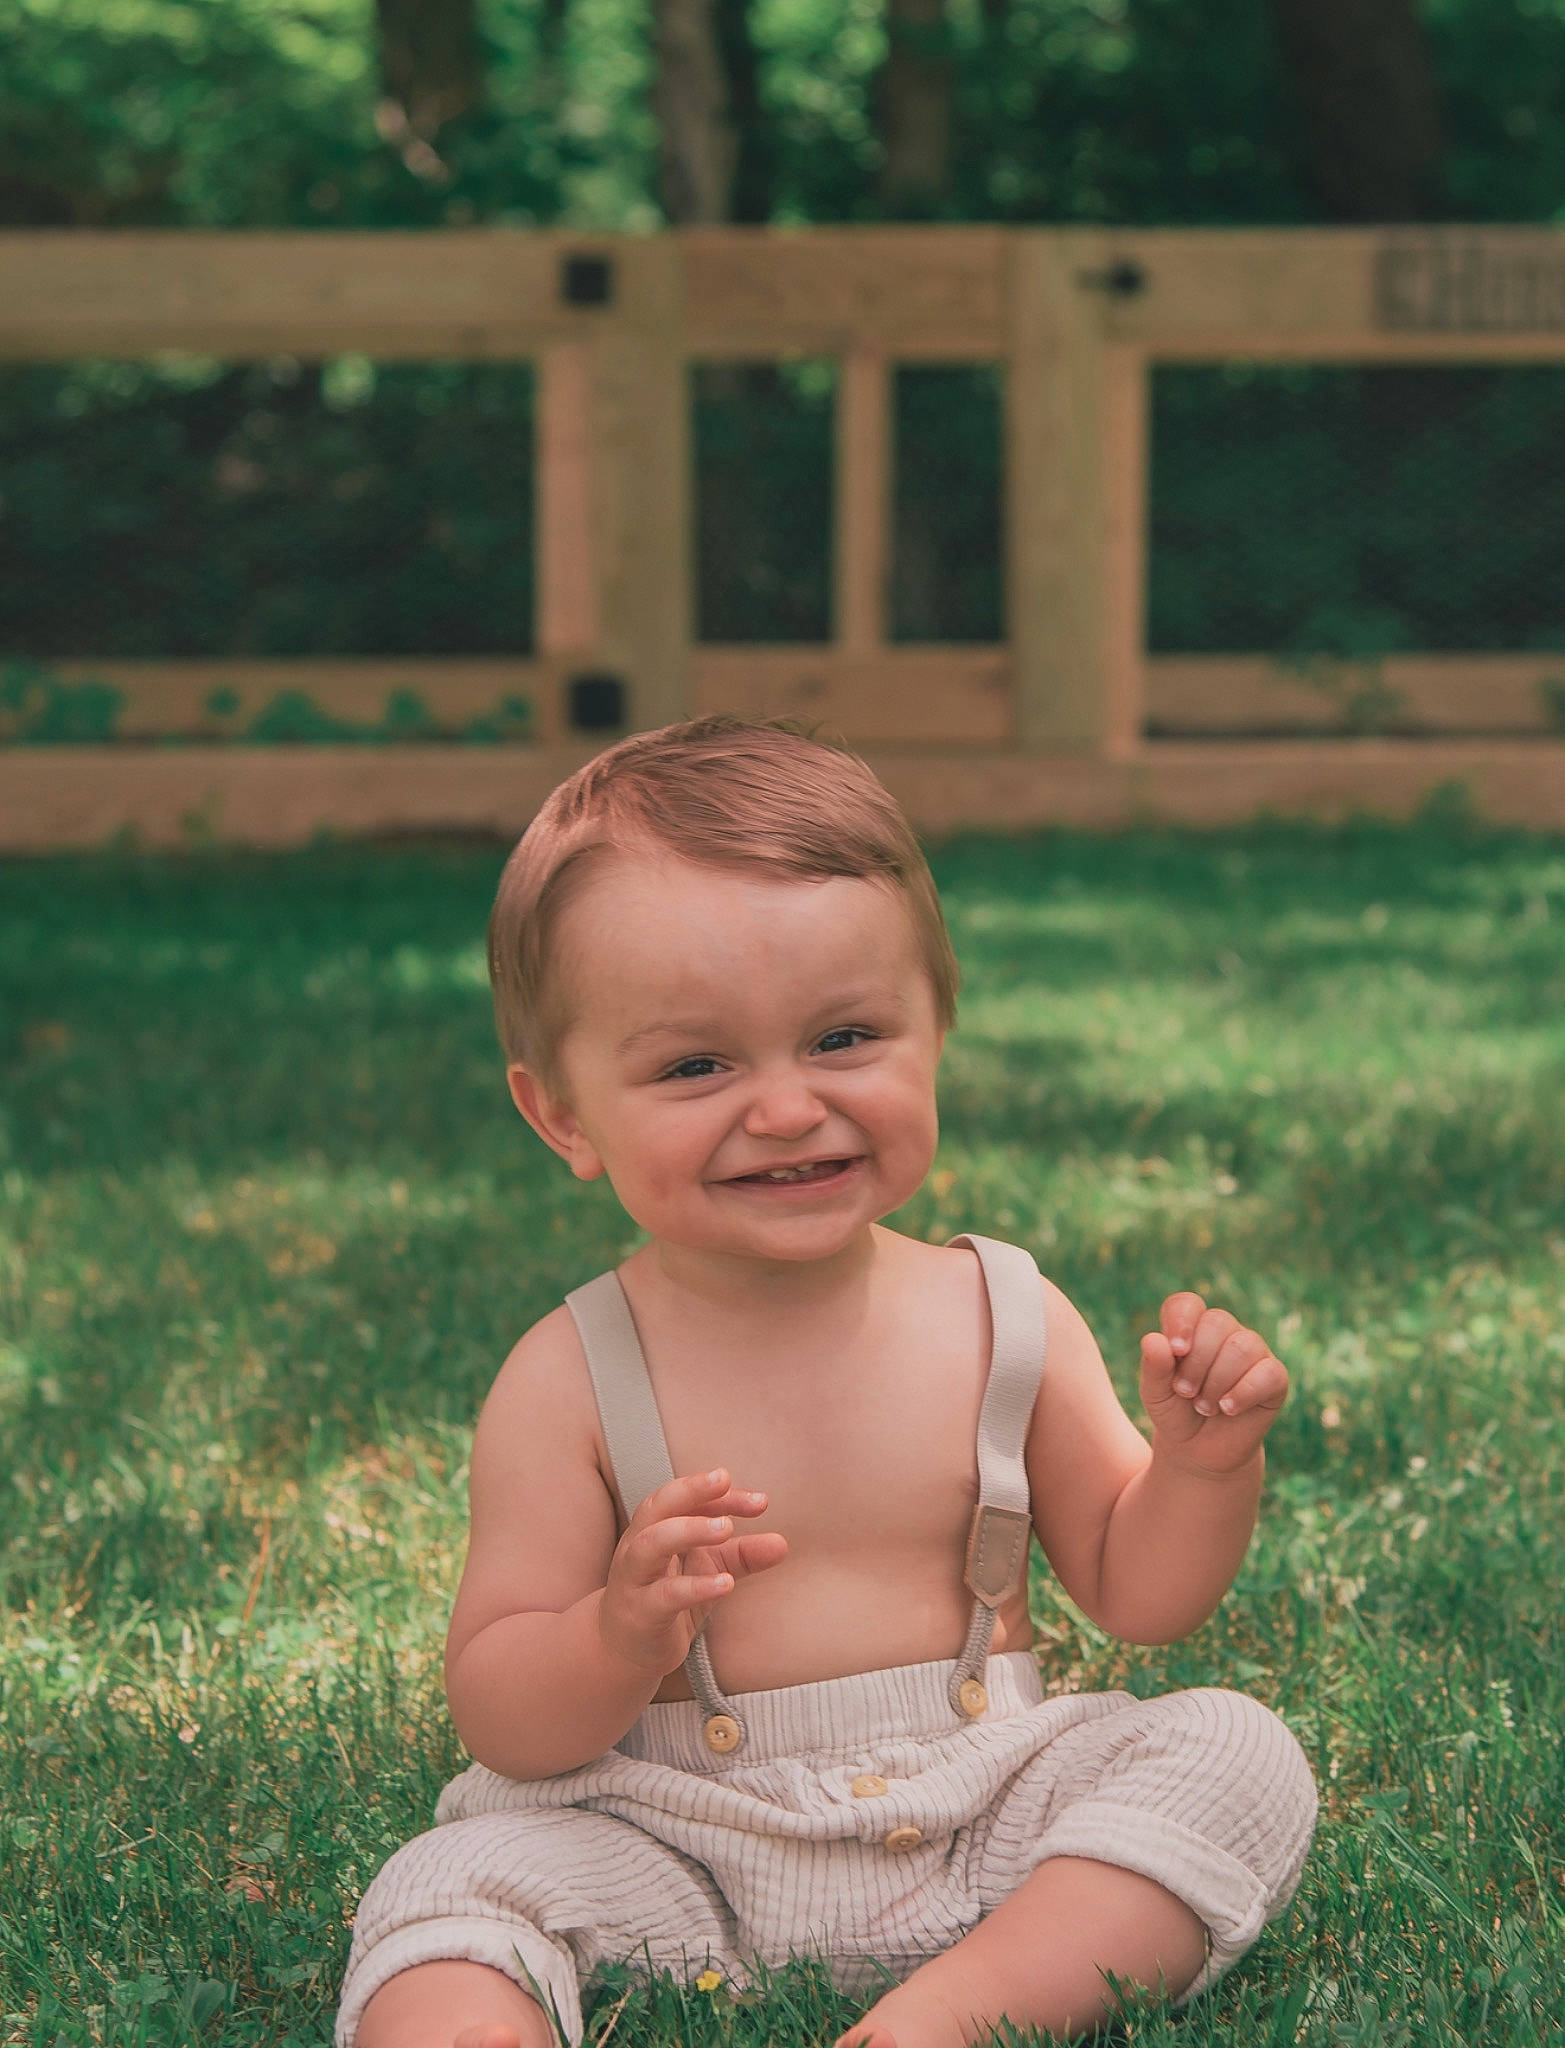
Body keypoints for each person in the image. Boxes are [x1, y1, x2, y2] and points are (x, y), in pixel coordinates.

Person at [336, 716, 1317, 2048]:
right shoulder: (569, 1375)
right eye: (696, 1065)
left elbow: (1139, 1595)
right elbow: (505, 1717)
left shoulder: (1005, 1315)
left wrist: (1202, 1468)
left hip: (984, 1813)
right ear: (562, 1114)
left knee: (1233, 1754)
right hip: (672, 1843)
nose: (788, 1107)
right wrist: (619, 1634)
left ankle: (947, 2019)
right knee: (447, 1885)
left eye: (845, 1037)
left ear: (934, 1033)